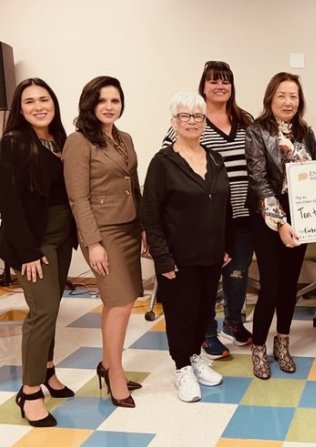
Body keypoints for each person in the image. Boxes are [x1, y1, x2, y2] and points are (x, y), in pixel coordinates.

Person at [162, 61, 255, 360]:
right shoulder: (191, 120)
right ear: (203, 86)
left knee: (237, 275)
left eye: (226, 80)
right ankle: (207, 334)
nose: (220, 86)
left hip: (242, 216)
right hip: (204, 222)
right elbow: (168, 163)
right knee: (206, 282)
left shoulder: (245, 120)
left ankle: (233, 321)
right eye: (214, 81)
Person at [63, 76, 144, 408]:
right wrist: (92, 242)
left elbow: (133, 184)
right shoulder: (79, 142)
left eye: (115, 100)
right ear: (90, 104)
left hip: (128, 227)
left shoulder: (124, 137)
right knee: (122, 302)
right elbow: (77, 199)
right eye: (103, 101)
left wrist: (143, 228)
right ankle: (115, 374)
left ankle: (108, 364)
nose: (110, 107)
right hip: (103, 231)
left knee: (117, 303)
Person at [143, 92, 229, 402]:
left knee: (203, 311)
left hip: (211, 255)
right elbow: (150, 215)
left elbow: (224, 206)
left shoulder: (215, 159)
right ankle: (181, 368)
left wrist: (226, 245)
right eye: (185, 116)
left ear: (205, 122)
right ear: (173, 122)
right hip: (177, 258)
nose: (192, 121)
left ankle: (195, 358)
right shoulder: (162, 163)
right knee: (181, 314)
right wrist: (162, 258)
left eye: (198, 116)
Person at [0, 78, 75, 427]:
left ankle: (47, 370)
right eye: (29, 101)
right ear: (20, 108)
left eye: (44, 99)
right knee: (42, 311)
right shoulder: (13, 141)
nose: (38, 106)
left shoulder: (59, 140)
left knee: (53, 306)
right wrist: (28, 252)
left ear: (54, 103)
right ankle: (29, 392)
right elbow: (9, 203)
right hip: (34, 242)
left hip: (62, 238)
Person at [245, 72, 316, 380]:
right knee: (271, 286)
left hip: (299, 216)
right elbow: (259, 181)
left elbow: (312, 174)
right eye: (282, 96)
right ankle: (259, 346)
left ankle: (282, 342)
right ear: (270, 98)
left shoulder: (305, 131)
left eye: (294, 96)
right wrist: (281, 223)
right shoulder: (256, 131)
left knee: (290, 286)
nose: (288, 102)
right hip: (267, 218)